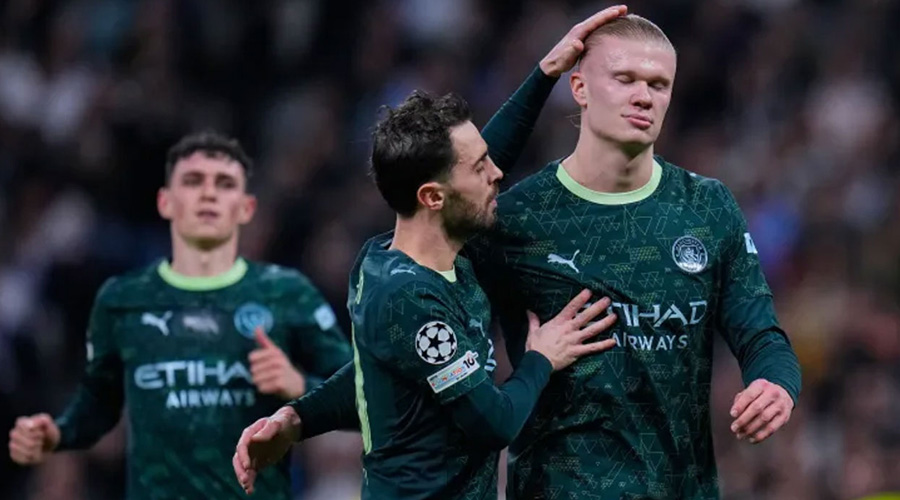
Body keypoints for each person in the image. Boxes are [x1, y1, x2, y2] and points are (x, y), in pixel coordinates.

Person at [242, 7, 802, 500]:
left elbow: (761, 333)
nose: (643, 96)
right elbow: (411, 351)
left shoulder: (706, 207)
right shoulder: (512, 221)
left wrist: (775, 382)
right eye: (625, 78)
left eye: (659, 84)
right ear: (579, 87)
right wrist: (302, 417)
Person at [231, 9, 630, 499]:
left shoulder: (393, 256)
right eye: (480, 168)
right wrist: (541, 358)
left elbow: (374, 378)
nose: (497, 173)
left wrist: (298, 418)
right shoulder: (410, 298)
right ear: (433, 197)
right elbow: (494, 423)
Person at [7, 131, 352, 499]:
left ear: (248, 209)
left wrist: (298, 386)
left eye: (224, 185)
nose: (208, 196)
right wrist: (61, 434)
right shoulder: (124, 300)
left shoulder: (289, 296)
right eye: (193, 182)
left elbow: (361, 397)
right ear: (166, 202)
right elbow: (98, 413)